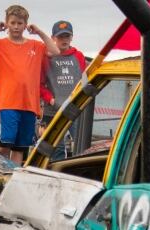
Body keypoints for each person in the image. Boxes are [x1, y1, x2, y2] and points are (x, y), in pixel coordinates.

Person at [0, 4, 59, 164]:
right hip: (8, 101)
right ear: (7, 23)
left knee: (20, 146)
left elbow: (55, 51)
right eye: (12, 23)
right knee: (6, 142)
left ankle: (13, 177)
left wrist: (39, 32)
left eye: (20, 23)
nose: (16, 27)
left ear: (25, 25)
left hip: (30, 103)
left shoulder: (36, 45)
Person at [40, 20, 87, 161]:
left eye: (67, 36)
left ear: (71, 37)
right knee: (56, 148)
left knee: (81, 146)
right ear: (53, 38)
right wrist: (52, 100)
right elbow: (40, 85)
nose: (64, 40)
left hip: (75, 108)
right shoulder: (46, 57)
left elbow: (84, 80)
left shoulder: (79, 56)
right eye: (60, 37)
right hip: (53, 111)